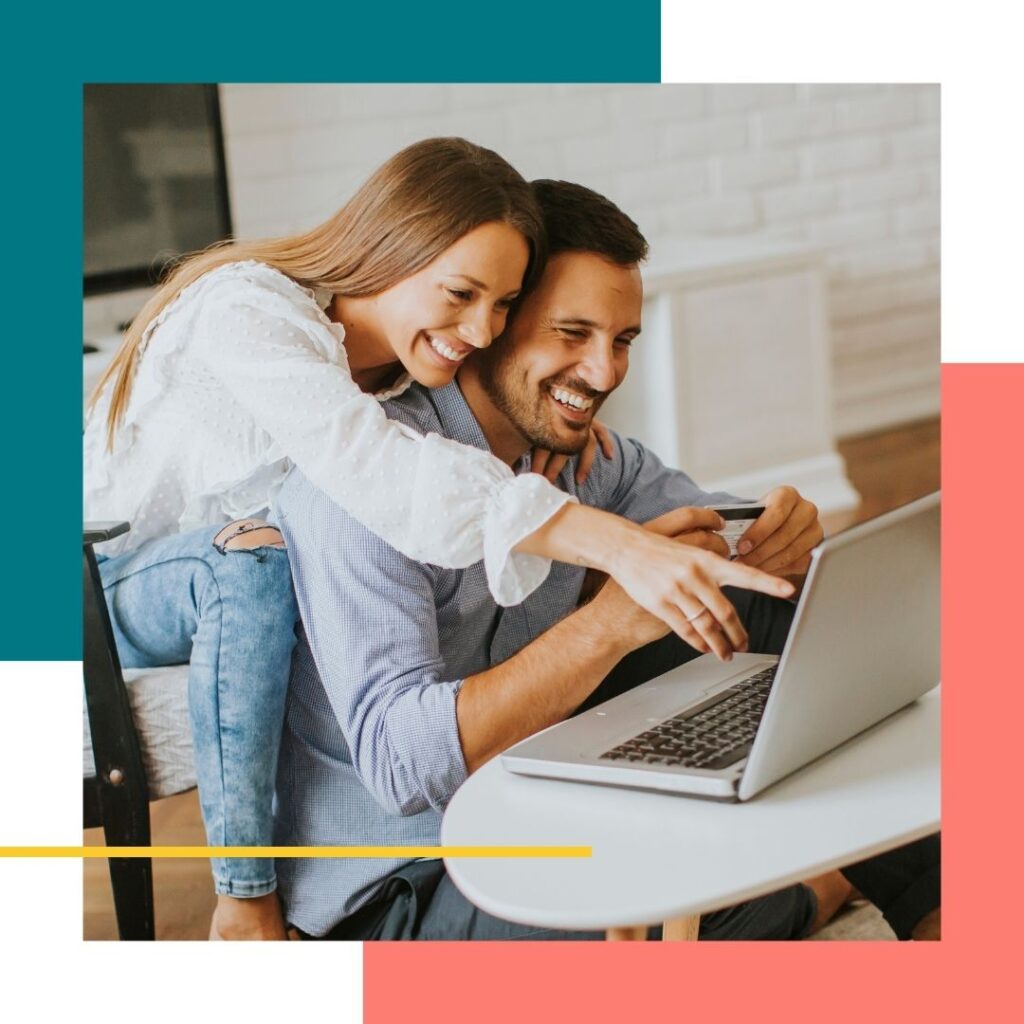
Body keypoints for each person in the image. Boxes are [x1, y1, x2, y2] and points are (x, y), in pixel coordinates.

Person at [84, 139, 791, 940]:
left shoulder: (399, 367)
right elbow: (371, 464)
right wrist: (613, 547)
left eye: (500, 305)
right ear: (394, 247)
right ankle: (244, 896)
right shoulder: (251, 312)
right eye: (462, 294)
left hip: (238, 556)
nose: (478, 329)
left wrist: (566, 429)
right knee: (253, 570)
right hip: (104, 575)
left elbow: (431, 453)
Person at [274, 179, 941, 941]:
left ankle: (939, 911)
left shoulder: (584, 458)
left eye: (621, 340)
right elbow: (400, 769)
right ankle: (808, 893)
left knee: (756, 602)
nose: (603, 373)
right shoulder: (366, 489)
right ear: (494, 321)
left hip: (530, 804)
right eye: (572, 333)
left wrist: (780, 537)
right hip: (407, 884)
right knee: (649, 926)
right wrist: (604, 628)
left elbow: (715, 535)